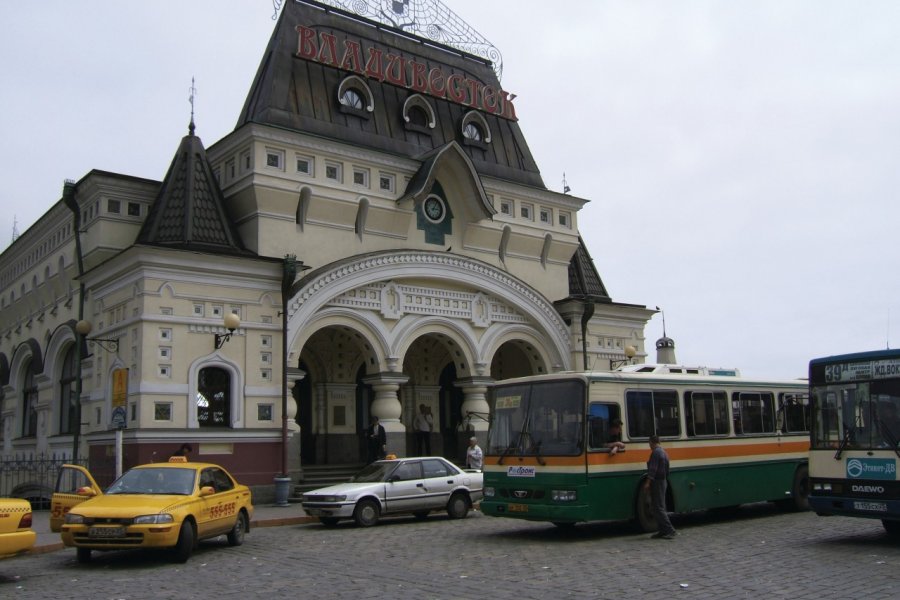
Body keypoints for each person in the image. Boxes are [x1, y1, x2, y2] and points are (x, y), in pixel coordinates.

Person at [645, 434, 676, 539]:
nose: (649, 445)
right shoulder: (664, 452)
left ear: (652, 442)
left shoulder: (656, 453)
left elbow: (652, 469)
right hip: (663, 481)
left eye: (649, 443)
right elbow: (667, 470)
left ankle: (669, 530)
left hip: (657, 482)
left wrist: (648, 482)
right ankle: (662, 530)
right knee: (659, 507)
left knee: (658, 508)